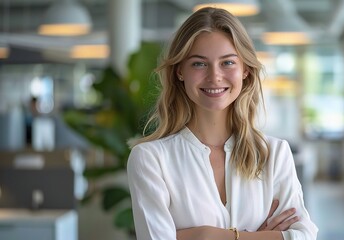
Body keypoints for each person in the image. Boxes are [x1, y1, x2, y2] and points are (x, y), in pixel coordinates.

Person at [127, 7, 318, 240]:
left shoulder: (274, 153)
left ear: (245, 70)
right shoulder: (150, 159)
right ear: (179, 71)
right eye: (199, 64)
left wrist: (204, 235)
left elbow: (304, 236)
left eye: (227, 63)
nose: (214, 76)